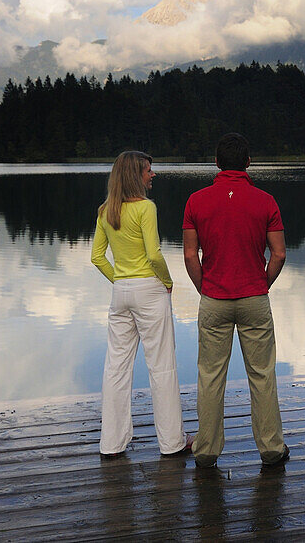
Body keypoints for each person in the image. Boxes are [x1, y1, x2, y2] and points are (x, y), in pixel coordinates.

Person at [183, 133, 289, 468]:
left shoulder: (196, 201)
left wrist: (205, 289)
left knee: (211, 376)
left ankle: (206, 451)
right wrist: (261, 283)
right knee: (262, 374)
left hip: (214, 298)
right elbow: (280, 254)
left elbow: (189, 255)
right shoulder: (265, 200)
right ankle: (271, 448)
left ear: (216, 162)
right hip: (254, 298)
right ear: (248, 162)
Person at [91, 150, 193, 458]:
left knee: (116, 368)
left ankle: (111, 443)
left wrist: (121, 279)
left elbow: (97, 257)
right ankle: (172, 442)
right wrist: (168, 281)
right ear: (137, 175)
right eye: (148, 170)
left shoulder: (106, 210)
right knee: (161, 366)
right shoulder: (146, 208)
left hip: (120, 292)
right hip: (149, 290)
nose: (153, 174)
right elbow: (153, 254)